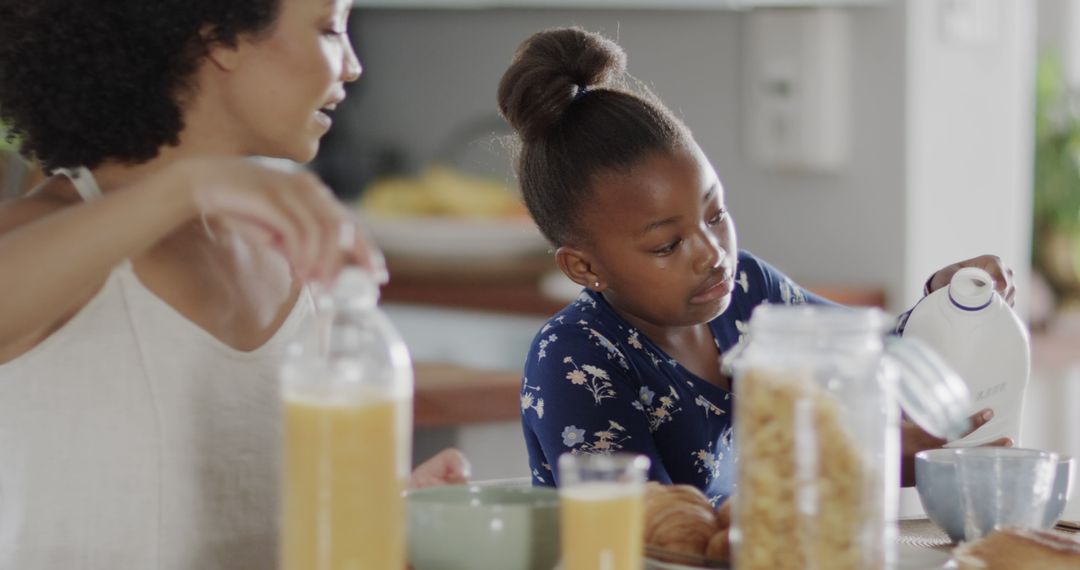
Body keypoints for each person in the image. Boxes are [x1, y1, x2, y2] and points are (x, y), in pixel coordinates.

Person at [0, 0, 468, 567]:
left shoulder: (299, 261)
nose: (351, 65)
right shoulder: (40, 234)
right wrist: (188, 186)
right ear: (219, 38)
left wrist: (389, 517)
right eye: (328, 28)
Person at [497, 27, 1015, 506]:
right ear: (584, 267)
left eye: (716, 214)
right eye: (666, 245)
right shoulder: (576, 360)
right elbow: (649, 530)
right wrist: (864, 462)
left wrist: (948, 300)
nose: (711, 252)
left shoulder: (746, 289)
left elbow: (873, 349)